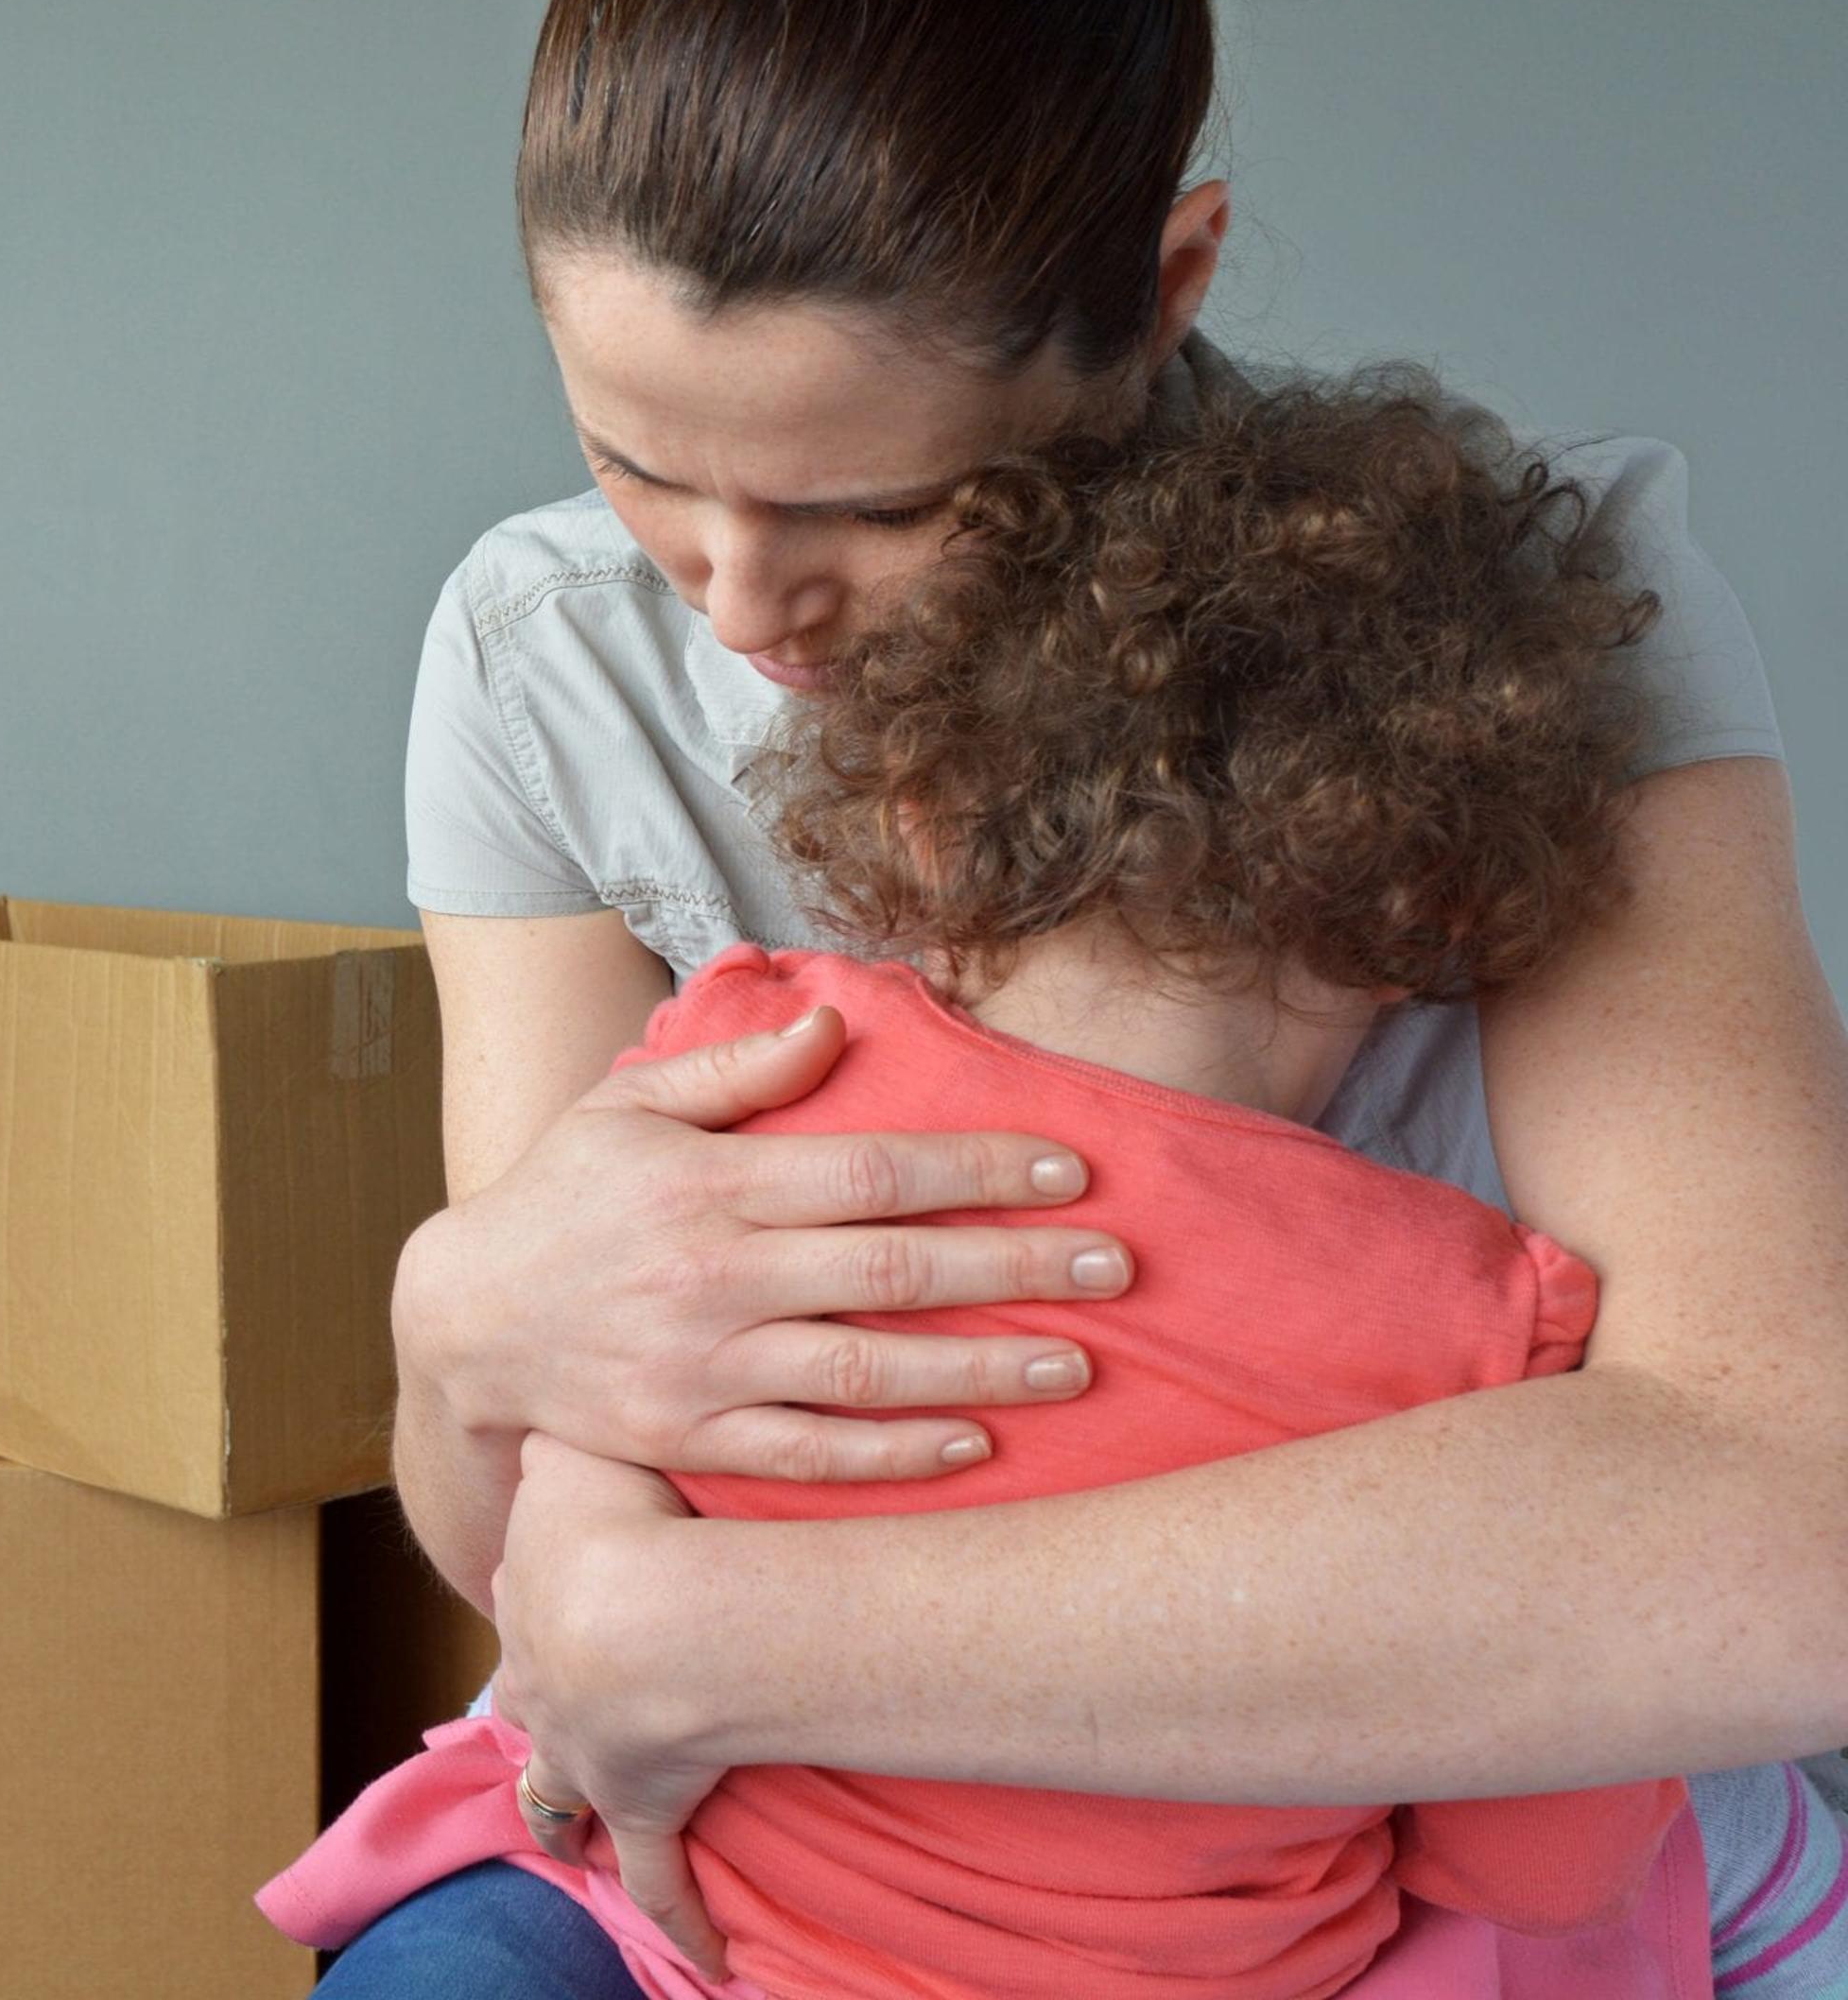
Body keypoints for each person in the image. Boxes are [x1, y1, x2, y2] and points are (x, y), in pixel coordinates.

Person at [335, 0, 1848, 1991]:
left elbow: (1787, 1536)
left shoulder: (1524, 622)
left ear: (1165, 286)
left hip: (1392, 1797)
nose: (739, 604)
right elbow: (533, 1541)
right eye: (637, 462)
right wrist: (456, 1329)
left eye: (878, 509)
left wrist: (739, 1638)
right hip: (810, 1843)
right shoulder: (542, 653)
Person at [273, 374, 1738, 1993]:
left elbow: (542, 1511)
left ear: (910, 818)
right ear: (1419, 917)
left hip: (697, 1932)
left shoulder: (758, 1045)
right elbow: (1548, 1858)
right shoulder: (1486, 1321)